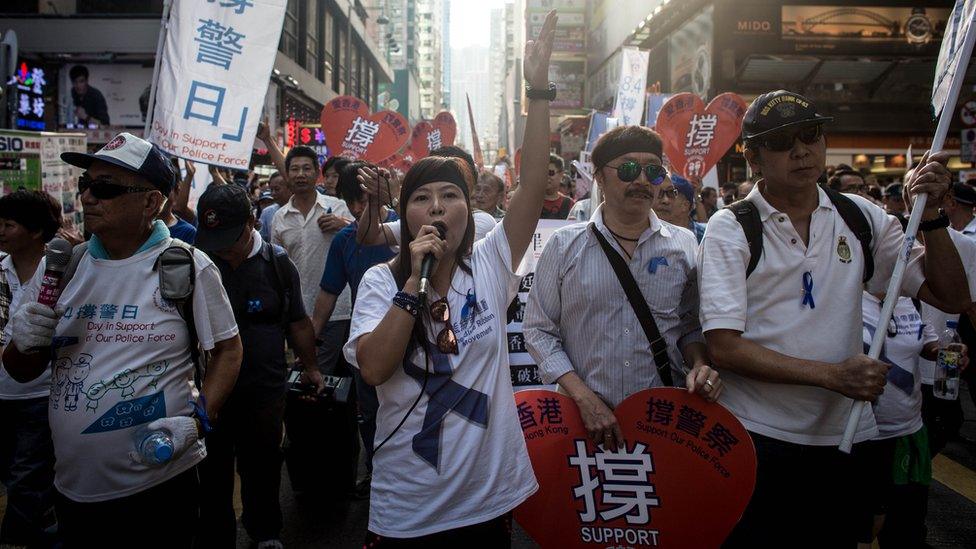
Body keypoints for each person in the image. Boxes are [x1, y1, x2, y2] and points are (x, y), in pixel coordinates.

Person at [698, 90, 969, 547]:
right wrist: (832, 376)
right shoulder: (732, 226)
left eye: (811, 135)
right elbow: (723, 346)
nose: (802, 150)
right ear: (754, 156)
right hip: (757, 437)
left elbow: (951, 295)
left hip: (847, 438)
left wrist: (934, 216)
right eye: (782, 141)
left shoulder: (861, 217)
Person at [342, 12, 556, 544]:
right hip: (409, 508)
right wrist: (414, 282)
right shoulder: (380, 282)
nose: (437, 207)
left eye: (450, 195)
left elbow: (531, 184)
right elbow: (373, 368)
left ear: (472, 208)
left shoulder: (490, 262)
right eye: (421, 197)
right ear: (404, 214)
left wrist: (538, 89)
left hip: (487, 501)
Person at [2, 132, 243, 547]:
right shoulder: (61, 268)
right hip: (73, 486)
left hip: (161, 479)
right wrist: (24, 342)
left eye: (106, 188)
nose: (89, 197)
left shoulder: (188, 265)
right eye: (86, 185)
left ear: (152, 202)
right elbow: (21, 371)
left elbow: (228, 349)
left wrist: (199, 418)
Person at [524, 124, 721, 452]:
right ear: (599, 176)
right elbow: (538, 330)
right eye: (629, 169)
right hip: (582, 422)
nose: (642, 181)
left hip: (663, 422)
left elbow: (689, 325)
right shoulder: (563, 246)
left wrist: (700, 366)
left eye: (653, 171)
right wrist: (584, 398)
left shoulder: (685, 246)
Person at [193, 184, 324, 549]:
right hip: (210, 390)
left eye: (229, 238)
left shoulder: (278, 264)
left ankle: (265, 531)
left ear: (252, 221)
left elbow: (297, 322)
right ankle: (215, 537)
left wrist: (311, 366)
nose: (222, 247)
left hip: (264, 389)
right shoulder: (199, 262)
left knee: (262, 464)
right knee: (212, 469)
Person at [311, 162, 399, 496]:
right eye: (351, 201)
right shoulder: (344, 241)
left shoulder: (403, 227)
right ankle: (377, 472)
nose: (358, 208)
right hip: (365, 348)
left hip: (409, 343)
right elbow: (327, 295)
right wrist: (310, 350)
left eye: (363, 198)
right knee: (371, 415)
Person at [856, 291, 961, 548]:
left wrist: (943, 351)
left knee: (907, 531)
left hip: (909, 434)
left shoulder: (910, 300)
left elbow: (927, 342)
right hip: (864, 440)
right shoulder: (849, 294)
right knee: (860, 529)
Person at [0, 191, 61, 547]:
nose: (2, 231)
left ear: (36, 231)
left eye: (10, 224)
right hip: (3, 393)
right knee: (15, 475)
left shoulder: (61, 273)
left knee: (25, 477)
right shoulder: (0, 271)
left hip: (40, 395)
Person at [270, 146, 354, 377]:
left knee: (322, 373)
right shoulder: (279, 218)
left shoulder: (339, 207)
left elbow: (366, 239)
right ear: (287, 175)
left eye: (307, 168)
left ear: (317, 173)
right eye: (295, 169)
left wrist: (343, 225)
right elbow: (278, 267)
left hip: (338, 309)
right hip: (298, 313)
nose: (300, 174)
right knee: (310, 375)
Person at [160, 173, 197, 244]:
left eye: (165, 189)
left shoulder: (187, 232)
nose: (159, 195)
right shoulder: (137, 226)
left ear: (176, 192)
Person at [257, 172, 290, 242]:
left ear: (289, 188)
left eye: (277, 189)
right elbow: (261, 241)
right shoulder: (267, 212)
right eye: (271, 190)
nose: (273, 193)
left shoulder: (302, 209)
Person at [541, 154, 575, 219]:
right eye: (543, 172)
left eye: (550, 173)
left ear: (561, 174)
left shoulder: (570, 204)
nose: (546, 177)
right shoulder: (531, 202)